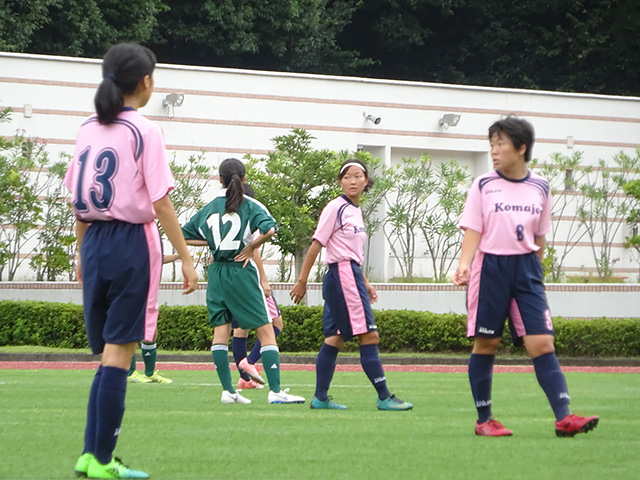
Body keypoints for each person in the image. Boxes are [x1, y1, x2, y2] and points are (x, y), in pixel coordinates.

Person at [65, 42, 198, 479]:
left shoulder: (87, 127)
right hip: (130, 242)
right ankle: (104, 460)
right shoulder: (144, 130)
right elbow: (159, 203)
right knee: (121, 353)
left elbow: (78, 200)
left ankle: (90, 454)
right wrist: (185, 257)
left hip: (95, 240)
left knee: (108, 353)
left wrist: (81, 254)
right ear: (146, 82)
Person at [452, 115, 599, 437]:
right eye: (491, 144)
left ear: (521, 148)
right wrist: (464, 264)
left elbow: (541, 235)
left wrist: (536, 267)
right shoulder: (483, 185)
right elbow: (473, 229)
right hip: (490, 267)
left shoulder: (540, 186)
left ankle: (564, 418)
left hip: (528, 267)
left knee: (542, 342)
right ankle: (484, 420)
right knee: (487, 342)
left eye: (500, 144)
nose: (494, 150)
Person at [290, 158, 413, 411]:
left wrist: (365, 282)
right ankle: (384, 396)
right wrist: (302, 281)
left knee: (335, 338)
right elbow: (317, 244)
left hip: (349, 274)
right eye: (347, 177)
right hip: (342, 275)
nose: (352, 181)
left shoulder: (355, 211)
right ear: (340, 182)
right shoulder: (336, 207)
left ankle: (320, 398)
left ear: (366, 181)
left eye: (358, 176)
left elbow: (351, 251)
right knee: (369, 334)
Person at [181, 158, 305, 405]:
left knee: (221, 332)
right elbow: (270, 230)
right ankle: (276, 392)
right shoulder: (250, 205)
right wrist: (251, 247)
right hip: (241, 269)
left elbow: (184, 235)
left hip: (217, 273)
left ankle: (228, 391)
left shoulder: (208, 208)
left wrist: (214, 243)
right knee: (266, 330)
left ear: (219, 179)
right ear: (244, 179)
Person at [230, 184, 283, 390]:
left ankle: (245, 378)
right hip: (250, 279)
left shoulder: (228, 218)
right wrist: (263, 279)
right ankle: (249, 363)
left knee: (240, 330)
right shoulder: (250, 216)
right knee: (276, 324)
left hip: (232, 279)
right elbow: (255, 250)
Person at [127, 254, 180, 384]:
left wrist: (180, 254)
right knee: (132, 332)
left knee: (151, 333)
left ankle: (149, 374)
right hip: (131, 291)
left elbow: (156, 258)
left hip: (145, 293)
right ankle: (129, 373)